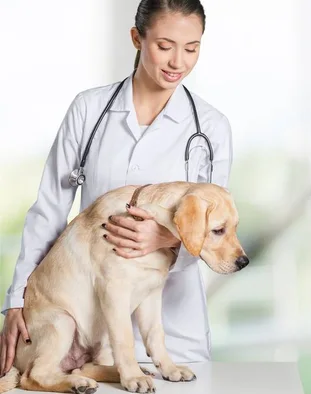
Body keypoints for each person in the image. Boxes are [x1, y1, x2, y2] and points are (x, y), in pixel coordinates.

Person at [0, 0, 233, 377]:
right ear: (137, 38)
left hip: (174, 335)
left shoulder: (211, 127)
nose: (178, 62)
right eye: (164, 45)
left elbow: (214, 231)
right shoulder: (88, 110)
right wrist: (16, 302)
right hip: (85, 325)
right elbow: (48, 211)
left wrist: (164, 238)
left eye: (192, 48)